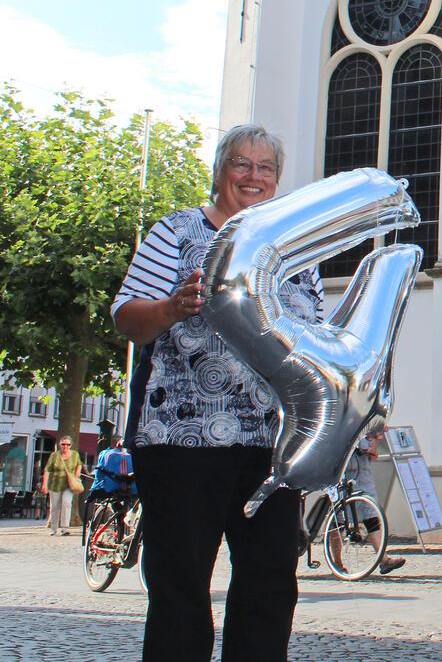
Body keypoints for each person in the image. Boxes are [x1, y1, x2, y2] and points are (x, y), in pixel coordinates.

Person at [113, 124, 322, 662]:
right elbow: (127, 318)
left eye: (265, 168)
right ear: (220, 170)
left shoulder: (297, 249)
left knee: (270, 587)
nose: (253, 176)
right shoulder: (177, 233)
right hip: (181, 442)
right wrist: (170, 308)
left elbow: (316, 341)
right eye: (241, 164)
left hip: (272, 449)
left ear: (277, 179)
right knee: (180, 586)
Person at [340, 425, 405, 575]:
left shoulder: (367, 427)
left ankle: (384, 560)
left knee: (372, 518)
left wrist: (374, 437)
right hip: (343, 476)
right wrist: (373, 436)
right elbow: (365, 448)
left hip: (364, 477)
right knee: (339, 522)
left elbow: (373, 454)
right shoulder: (351, 422)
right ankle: (337, 562)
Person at [42, 435, 83, 536]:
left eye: (68, 444)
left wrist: (77, 473)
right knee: (55, 507)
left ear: (71, 445)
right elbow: (47, 470)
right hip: (55, 484)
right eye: (63, 444)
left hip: (69, 485)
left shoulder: (75, 454)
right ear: (59, 445)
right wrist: (44, 484)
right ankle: (54, 528)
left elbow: (79, 464)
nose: (65, 446)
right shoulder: (54, 455)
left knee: (67, 502)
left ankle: (65, 528)